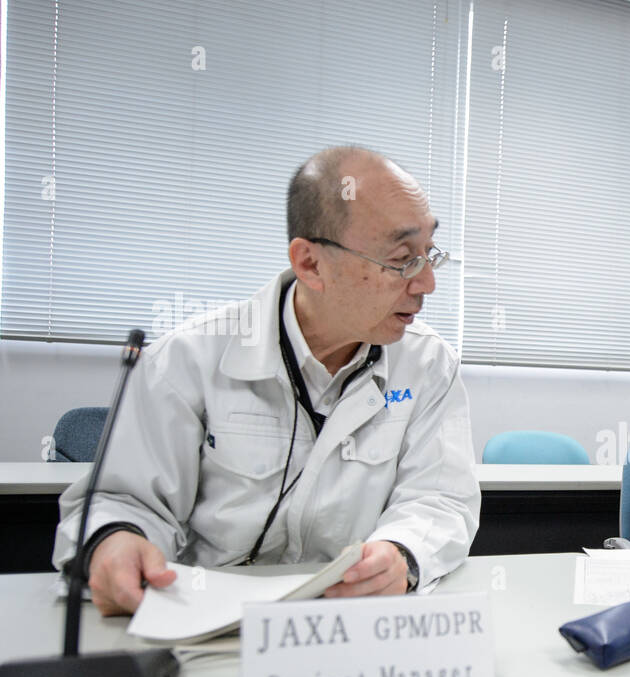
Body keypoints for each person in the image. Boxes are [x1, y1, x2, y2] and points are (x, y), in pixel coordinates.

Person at [53, 146, 481, 615]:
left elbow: (440, 499)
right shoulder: (189, 357)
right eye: (402, 259)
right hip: (204, 622)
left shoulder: (426, 363)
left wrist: (402, 553)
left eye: (429, 254)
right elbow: (123, 500)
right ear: (311, 263)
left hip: (348, 623)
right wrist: (117, 540)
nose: (426, 284)